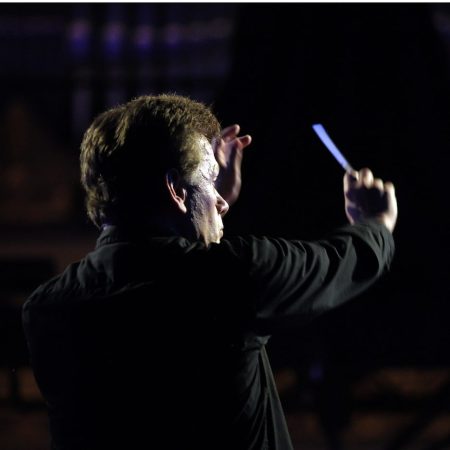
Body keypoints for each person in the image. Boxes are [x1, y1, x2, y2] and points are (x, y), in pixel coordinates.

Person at [22, 94, 397, 450]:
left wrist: (202, 206)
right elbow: (341, 262)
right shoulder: (234, 276)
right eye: (209, 179)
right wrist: (375, 223)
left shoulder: (47, 309)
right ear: (176, 190)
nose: (222, 201)